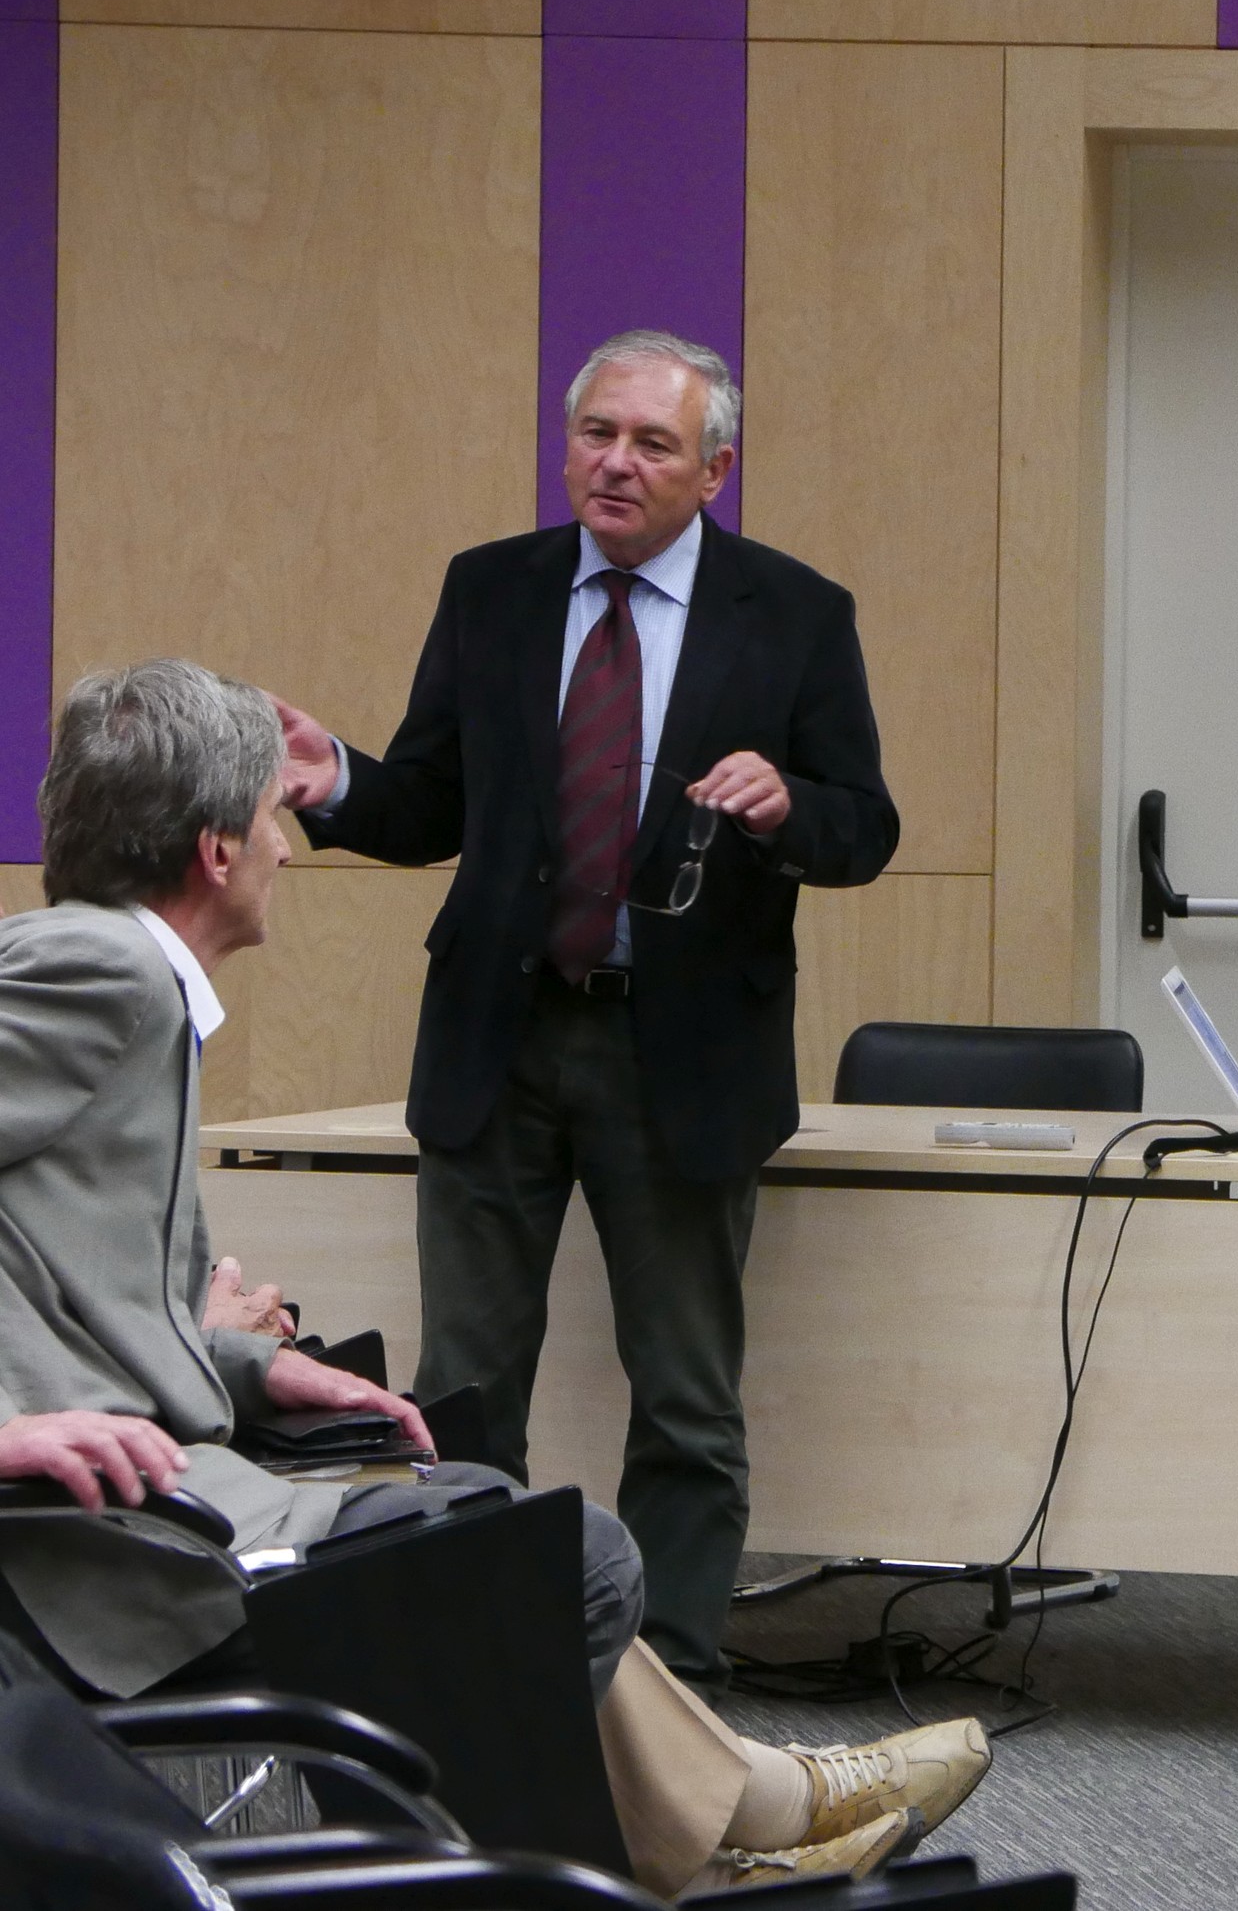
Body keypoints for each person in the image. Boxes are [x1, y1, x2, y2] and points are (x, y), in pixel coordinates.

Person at [0, 661, 981, 1895]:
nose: (287, 848)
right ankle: (704, 1833)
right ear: (214, 850)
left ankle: (722, 1831)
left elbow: (73, 1291)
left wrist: (253, 1364)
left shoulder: (125, 980)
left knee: (500, 1519)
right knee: (560, 1560)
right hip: (111, 1555)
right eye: (269, 816)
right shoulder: (104, 971)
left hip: (162, 1503)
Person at [272, 330, 898, 1685]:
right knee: (463, 1385)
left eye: (652, 442)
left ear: (714, 470)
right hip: (497, 1039)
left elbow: (866, 826)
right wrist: (341, 785)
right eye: (595, 433)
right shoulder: (492, 587)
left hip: (683, 1054)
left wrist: (789, 808)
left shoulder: (795, 612)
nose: (614, 462)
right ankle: (473, 1670)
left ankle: (661, 1687)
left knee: (683, 1394)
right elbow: (433, 802)